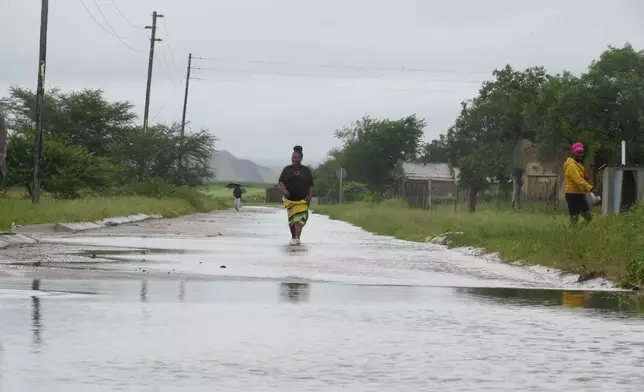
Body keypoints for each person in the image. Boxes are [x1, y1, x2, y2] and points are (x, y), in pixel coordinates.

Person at [278, 145, 314, 245]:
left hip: (302, 200)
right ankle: (294, 237)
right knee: (292, 220)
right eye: (293, 157)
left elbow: (311, 185)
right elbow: (281, 181)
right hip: (290, 200)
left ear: (301, 158)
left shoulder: (306, 170)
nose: (294, 159)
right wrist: (284, 190)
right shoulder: (287, 169)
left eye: (296, 157)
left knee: (300, 219)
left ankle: (297, 238)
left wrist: (309, 198)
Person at [563, 142, 594, 225]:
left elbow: (583, 177)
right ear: (573, 153)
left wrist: (587, 177)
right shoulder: (571, 166)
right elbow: (578, 180)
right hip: (572, 195)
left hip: (580, 194)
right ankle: (572, 235)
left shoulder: (578, 165)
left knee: (588, 217)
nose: (581, 154)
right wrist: (589, 187)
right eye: (579, 152)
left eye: (582, 152)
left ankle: (579, 232)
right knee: (574, 219)